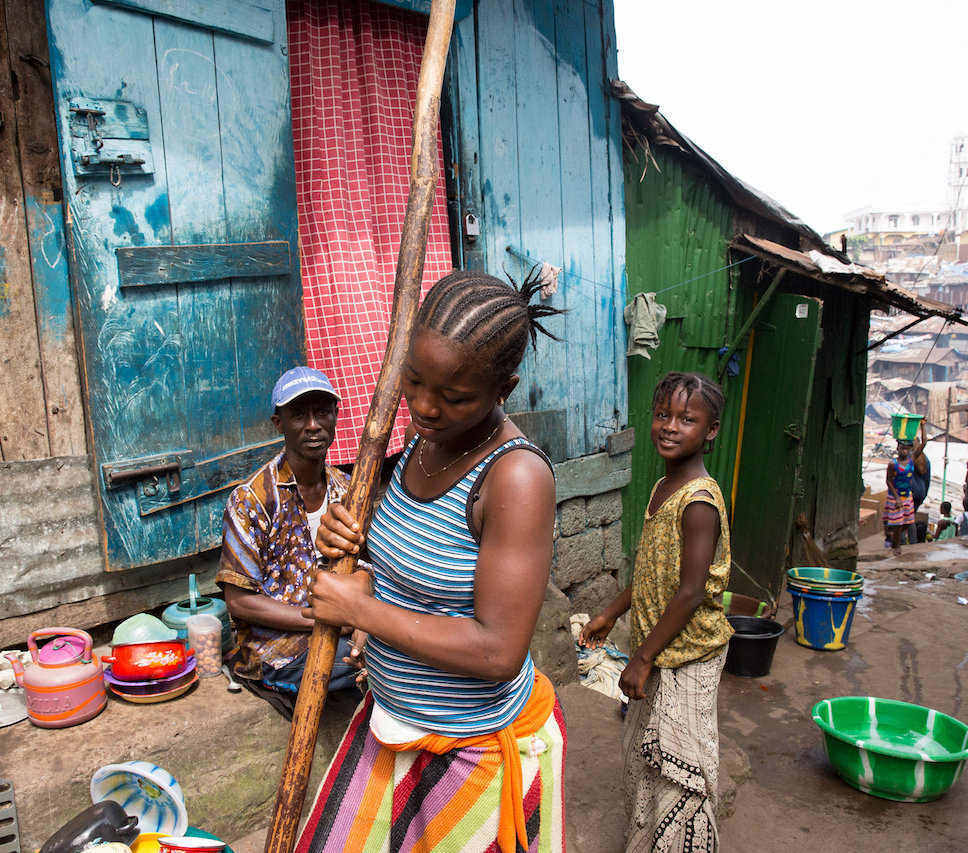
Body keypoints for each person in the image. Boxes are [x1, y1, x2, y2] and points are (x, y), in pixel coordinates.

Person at [298, 270, 564, 852]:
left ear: (505, 388)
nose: (424, 406)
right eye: (414, 382)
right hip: (391, 726)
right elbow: (410, 571)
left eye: (455, 396)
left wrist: (360, 610)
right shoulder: (418, 441)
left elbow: (497, 650)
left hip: (472, 752)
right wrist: (354, 550)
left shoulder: (516, 478)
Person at [580, 371, 732, 853]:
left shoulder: (699, 502)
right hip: (660, 648)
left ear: (710, 431)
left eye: (687, 419)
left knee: (683, 765)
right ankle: (648, 841)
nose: (670, 427)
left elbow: (689, 592)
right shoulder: (662, 488)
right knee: (646, 755)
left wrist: (641, 657)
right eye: (663, 415)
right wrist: (609, 613)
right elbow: (650, 571)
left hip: (688, 654)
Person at [214, 366, 360, 720]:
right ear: (279, 424)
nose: (313, 425)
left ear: (336, 416)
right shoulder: (251, 499)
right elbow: (240, 602)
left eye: (322, 412)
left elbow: (363, 568)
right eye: (299, 415)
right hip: (275, 651)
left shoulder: (348, 489)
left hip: (339, 632)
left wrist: (362, 623)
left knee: (396, 654)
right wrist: (320, 619)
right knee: (371, 672)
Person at [884, 440, 918, 555]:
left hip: (907, 495)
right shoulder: (893, 464)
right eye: (902, 448)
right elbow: (888, 481)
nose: (904, 451)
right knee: (897, 523)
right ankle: (896, 546)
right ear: (898, 448)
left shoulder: (911, 460)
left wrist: (923, 425)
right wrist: (897, 498)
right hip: (895, 495)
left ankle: (892, 535)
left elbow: (924, 444)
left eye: (907, 449)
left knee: (908, 522)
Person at [910, 421, 931, 513]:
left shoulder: (911, 458)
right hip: (920, 493)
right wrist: (922, 425)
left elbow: (924, 442)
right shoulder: (925, 460)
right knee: (910, 518)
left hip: (911, 492)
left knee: (905, 521)